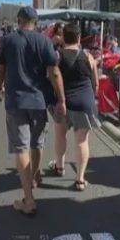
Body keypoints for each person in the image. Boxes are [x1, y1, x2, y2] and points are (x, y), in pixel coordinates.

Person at [0, 6, 66, 216]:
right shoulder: (44, 41)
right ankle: (34, 175)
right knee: (37, 143)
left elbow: (0, 69)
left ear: (19, 19)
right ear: (35, 22)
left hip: (16, 101)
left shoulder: (8, 40)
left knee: (22, 148)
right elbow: (54, 72)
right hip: (39, 101)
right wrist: (61, 99)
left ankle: (29, 199)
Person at [47, 23, 100, 191]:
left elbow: (52, 77)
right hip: (84, 103)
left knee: (60, 135)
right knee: (82, 141)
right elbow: (96, 83)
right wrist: (91, 96)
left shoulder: (57, 55)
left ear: (63, 38)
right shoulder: (89, 57)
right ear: (78, 38)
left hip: (63, 102)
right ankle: (80, 179)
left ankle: (60, 167)